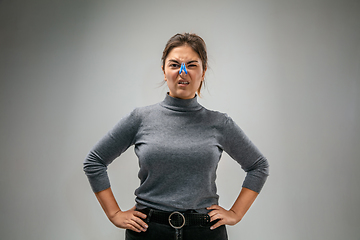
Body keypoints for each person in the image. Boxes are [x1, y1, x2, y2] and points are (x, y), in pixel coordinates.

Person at [83, 33, 269, 240]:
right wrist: (114, 214)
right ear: (164, 71)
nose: (183, 72)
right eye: (174, 65)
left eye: (191, 65)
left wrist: (236, 213)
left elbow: (258, 166)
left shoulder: (220, 123)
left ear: (203, 72)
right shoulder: (140, 118)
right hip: (148, 231)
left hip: (204, 232)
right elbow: (95, 161)